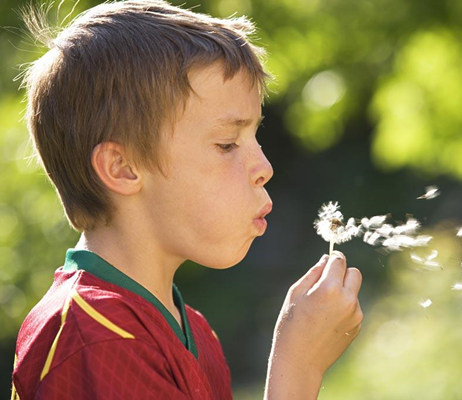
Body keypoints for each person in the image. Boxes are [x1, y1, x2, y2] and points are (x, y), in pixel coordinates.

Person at [10, 1, 363, 399]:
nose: (264, 166)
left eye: (254, 138)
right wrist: (298, 367)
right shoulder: (95, 339)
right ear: (123, 167)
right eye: (227, 144)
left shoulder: (193, 331)